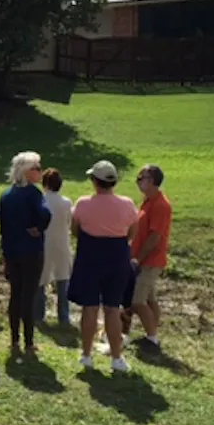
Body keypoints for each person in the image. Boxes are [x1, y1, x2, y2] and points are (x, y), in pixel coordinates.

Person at [68, 160, 140, 373]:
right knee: (112, 308)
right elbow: (132, 232)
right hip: (117, 256)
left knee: (89, 308)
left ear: (94, 181)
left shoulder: (83, 203)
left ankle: (87, 354)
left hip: (90, 256)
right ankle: (116, 358)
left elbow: (75, 230)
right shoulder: (127, 204)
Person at [0, 152, 51, 356]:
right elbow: (45, 214)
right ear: (26, 172)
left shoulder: (6, 194)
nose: (40, 171)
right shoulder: (33, 193)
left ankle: (14, 339)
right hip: (31, 250)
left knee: (15, 295)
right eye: (36, 168)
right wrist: (38, 227)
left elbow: (2, 225)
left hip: (12, 250)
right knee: (28, 296)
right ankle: (28, 341)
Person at [129, 164, 173, 350]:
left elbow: (155, 236)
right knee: (150, 299)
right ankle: (152, 333)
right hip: (145, 259)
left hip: (150, 261)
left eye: (142, 177)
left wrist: (139, 257)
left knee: (137, 301)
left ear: (153, 181)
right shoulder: (148, 201)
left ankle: (152, 339)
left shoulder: (161, 205)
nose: (138, 181)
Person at [36, 168, 73, 325]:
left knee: (41, 281)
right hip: (62, 243)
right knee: (63, 280)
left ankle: (39, 314)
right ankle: (63, 316)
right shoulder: (66, 202)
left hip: (44, 243)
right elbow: (69, 223)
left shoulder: (41, 201)